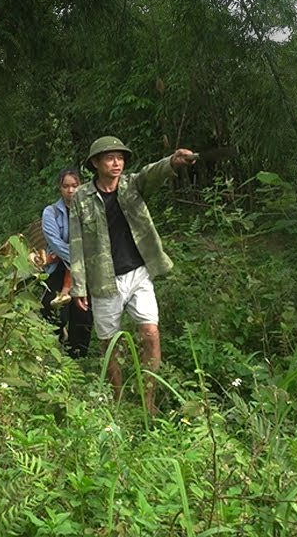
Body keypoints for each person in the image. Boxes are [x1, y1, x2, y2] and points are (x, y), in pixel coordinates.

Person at [68, 136, 195, 414]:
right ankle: (117, 400)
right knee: (109, 342)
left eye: (121, 158)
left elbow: (153, 172)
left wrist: (173, 161)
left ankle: (148, 401)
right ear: (96, 164)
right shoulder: (81, 198)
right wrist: (78, 286)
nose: (117, 163)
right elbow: (76, 243)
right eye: (110, 158)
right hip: (104, 280)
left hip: (139, 273)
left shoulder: (132, 185)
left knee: (150, 333)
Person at [40, 167, 94, 356]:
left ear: (81, 186)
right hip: (57, 267)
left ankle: (78, 355)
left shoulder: (90, 210)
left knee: (83, 311)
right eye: (66, 186)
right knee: (51, 307)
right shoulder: (51, 212)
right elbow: (54, 243)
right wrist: (77, 257)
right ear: (60, 188)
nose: (70, 191)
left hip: (83, 269)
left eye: (74, 186)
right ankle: (51, 351)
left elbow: (93, 239)